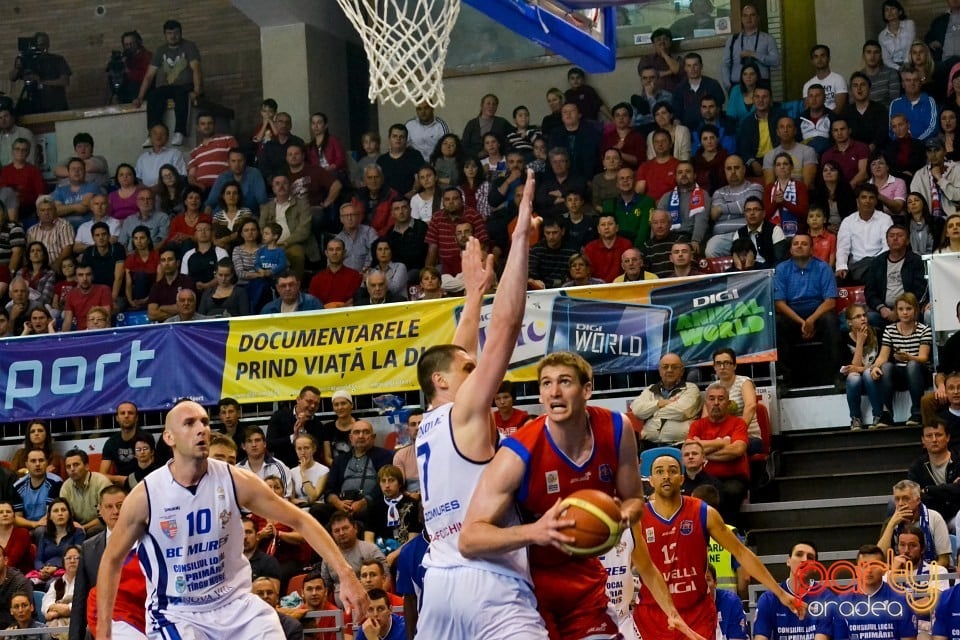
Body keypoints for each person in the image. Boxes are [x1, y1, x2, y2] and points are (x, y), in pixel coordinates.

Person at [461, 351, 699, 640]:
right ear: (539, 395)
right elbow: (469, 539)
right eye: (546, 384)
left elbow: (635, 500)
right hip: (526, 584)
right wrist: (535, 532)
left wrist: (622, 517)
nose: (555, 392)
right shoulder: (517, 452)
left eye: (564, 381)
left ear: (587, 389)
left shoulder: (616, 428)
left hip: (583, 579)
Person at [95, 399, 368, 639]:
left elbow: (301, 520)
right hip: (179, 612)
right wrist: (104, 631)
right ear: (169, 437)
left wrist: (346, 575)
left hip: (236, 604)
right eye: (189, 423)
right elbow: (111, 561)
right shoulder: (147, 495)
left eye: (204, 421)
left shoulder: (234, 480)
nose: (201, 428)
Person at [410, 171, 542, 638]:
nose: (478, 372)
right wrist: (521, 236)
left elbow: (457, 352)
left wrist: (472, 295)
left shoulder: (430, 419)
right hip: (489, 581)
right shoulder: (465, 413)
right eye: (469, 371)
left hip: (439, 584)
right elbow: (505, 328)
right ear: (443, 382)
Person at [634, 452, 800, 640]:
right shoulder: (638, 518)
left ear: (681, 479)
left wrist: (780, 593)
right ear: (650, 480)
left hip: (697, 613)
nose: (666, 476)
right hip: (653, 614)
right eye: (659, 471)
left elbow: (742, 553)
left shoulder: (704, 512)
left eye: (672, 471)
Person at [774, 234, 840, 383]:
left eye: (804, 244)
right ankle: (783, 378)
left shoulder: (823, 268)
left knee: (831, 320)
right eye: (795, 244)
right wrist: (802, 322)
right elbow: (779, 303)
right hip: (792, 316)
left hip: (817, 314)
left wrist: (811, 320)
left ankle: (837, 374)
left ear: (811, 250)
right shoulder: (782, 269)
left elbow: (830, 302)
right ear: (790, 249)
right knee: (776, 323)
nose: (799, 246)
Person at [133, 20, 202, 147]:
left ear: (180, 33)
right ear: (165, 34)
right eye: (169, 33)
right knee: (153, 96)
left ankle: (179, 132)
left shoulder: (189, 46)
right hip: (165, 87)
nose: (173, 36)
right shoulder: (161, 50)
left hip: (184, 86)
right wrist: (140, 97)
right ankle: (152, 132)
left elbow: (195, 69)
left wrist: (197, 91)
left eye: (176, 33)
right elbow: (149, 76)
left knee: (181, 95)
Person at [866, 292, 931, 427]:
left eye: (908, 309)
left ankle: (917, 412)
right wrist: (875, 367)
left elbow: (924, 358)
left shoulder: (924, 330)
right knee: (887, 366)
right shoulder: (889, 330)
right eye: (901, 309)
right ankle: (886, 414)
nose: (905, 313)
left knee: (912, 365)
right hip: (901, 372)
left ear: (916, 310)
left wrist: (908, 357)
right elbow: (882, 357)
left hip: (919, 372)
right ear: (896, 311)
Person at [753, 542, 829, 640]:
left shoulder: (825, 597)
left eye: (810, 557)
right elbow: (761, 637)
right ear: (788, 561)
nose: (804, 560)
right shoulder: (768, 599)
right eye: (799, 554)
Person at [631, 353, 703, 449]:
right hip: (649, 445)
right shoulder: (650, 389)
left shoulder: (690, 388)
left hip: (680, 446)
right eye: (665, 367)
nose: (669, 370)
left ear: (681, 371)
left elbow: (682, 411)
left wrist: (651, 413)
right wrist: (659, 403)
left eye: (674, 367)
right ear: (660, 371)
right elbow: (637, 411)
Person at [878, 479, 952, 567]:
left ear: (917, 500)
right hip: (900, 575)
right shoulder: (891, 522)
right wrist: (891, 525)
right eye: (897, 499)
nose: (900, 503)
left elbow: (944, 560)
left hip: (932, 574)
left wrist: (926, 577)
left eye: (906, 498)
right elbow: (879, 558)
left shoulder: (934, 518)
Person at [865, 225, 927, 329]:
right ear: (887, 241)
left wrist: (901, 310)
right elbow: (870, 291)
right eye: (891, 236)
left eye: (899, 235)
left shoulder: (916, 261)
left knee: (920, 316)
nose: (895, 238)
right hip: (884, 311)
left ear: (907, 241)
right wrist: (881, 308)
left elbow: (921, 291)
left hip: (909, 309)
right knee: (869, 317)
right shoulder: (877, 262)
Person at [836, 184, 894, 284]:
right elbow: (843, 248)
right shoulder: (848, 221)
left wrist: (874, 262)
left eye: (871, 198)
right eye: (863, 197)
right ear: (857, 201)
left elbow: (887, 247)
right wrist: (841, 266)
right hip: (855, 266)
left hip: (878, 264)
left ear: (876, 201)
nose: (867, 201)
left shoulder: (885, 219)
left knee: (873, 267)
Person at [721, 3, 780, 91]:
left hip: (761, 87)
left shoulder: (768, 39)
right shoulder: (732, 40)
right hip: (737, 86)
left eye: (752, 15)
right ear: (741, 19)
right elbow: (725, 64)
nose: (748, 18)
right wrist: (728, 85)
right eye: (745, 15)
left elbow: (776, 61)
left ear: (758, 18)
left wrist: (754, 54)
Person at [7, 32, 70, 115]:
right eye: (40, 45)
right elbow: (12, 78)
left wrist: (40, 81)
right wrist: (18, 67)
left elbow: (64, 81)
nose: (43, 48)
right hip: (34, 105)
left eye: (45, 44)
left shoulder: (57, 60)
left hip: (56, 105)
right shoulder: (28, 61)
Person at [266, 385, 323, 469]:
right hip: (283, 469)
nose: (312, 406)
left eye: (316, 404)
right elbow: (270, 445)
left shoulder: (318, 425)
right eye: (309, 402)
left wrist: (303, 430)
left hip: (308, 470)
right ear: (298, 400)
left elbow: (318, 451)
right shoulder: (279, 416)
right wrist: (293, 437)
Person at [802, 44, 848, 113]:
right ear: (812, 61)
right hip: (816, 122)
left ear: (829, 58)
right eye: (816, 57)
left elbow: (839, 109)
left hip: (835, 120)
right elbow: (808, 110)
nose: (819, 59)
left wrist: (826, 121)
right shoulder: (807, 85)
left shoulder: (838, 79)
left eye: (822, 56)